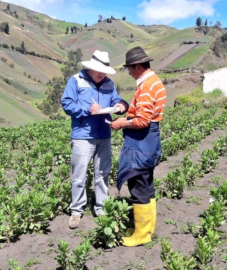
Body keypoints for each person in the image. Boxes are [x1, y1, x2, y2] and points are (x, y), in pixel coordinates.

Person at [62, 50, 128, 229]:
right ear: (90, 68)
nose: (102, 74)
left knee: (102, 174)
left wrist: (121, 105)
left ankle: (101, 208)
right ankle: (76, 210)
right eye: (99, 70)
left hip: (104, 134)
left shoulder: (109, 83)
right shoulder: (76, 80)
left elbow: (116, 100)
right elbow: (67, 104)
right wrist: (87, 108)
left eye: (104, 71)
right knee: (79, 174)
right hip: (83, 135)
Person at [110, 46, 166, 246]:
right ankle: (147, 230)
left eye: (129, 68)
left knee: (138, 184)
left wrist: (121, 123)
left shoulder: (146, 87)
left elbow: (142, 121)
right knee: (147, 185)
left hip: (141, 141)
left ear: (137, 66)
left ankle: (141, 235)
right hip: (150, 140)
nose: (129, 73)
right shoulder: (156, 82)